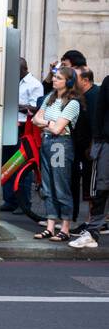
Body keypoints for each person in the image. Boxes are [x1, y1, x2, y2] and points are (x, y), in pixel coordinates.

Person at [32, 67, 82, 242]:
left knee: (60, 186)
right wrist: (49, 123)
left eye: (58, 77)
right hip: (47, 142)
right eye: (54, 76)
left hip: (60, 145)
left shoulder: (72, 103)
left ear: (68, 82)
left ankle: (65, 228)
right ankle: (50, 227)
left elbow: (58, 129)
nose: (54, 79)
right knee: (47, 186)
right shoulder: (50, 98)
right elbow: (35, 119)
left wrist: (46, 123)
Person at [71, 65, 109, 249]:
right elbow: (99, 114)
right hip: (106, 143)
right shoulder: (107, 83)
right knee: (100, 189)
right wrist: (97, 141)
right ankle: (92, 232)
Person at [2, 56, 45, 212]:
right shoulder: (11, 82)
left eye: (16, 71)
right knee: (7, 163)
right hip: (8, 126)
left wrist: (14, 105)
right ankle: (10, 200)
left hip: (23, 128)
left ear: (24, 69)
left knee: (22, 165)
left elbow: (35, 108)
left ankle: (23, 203)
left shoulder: (34, 84)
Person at [71, 66, 98, 226]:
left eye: (76, 78)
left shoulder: (93, 96)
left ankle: (92, 222)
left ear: (86, 80)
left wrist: (91, 146)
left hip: (91, 149)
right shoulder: (82, 95)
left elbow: (96, 123)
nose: (72, 81)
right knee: (88, 185)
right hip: (83, 148)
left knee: (92, 185)